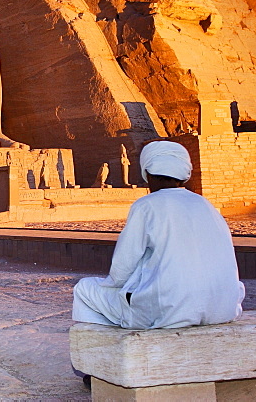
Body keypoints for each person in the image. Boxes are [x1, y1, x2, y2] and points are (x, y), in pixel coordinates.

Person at [72, 140, 244, 330]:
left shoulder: (147, 206)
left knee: (85, 289)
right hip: (223, 308)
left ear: (147, 174)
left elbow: (123, 265)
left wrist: (116, 287)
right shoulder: (205, 205)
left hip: (170, 311)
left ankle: (119, 352)